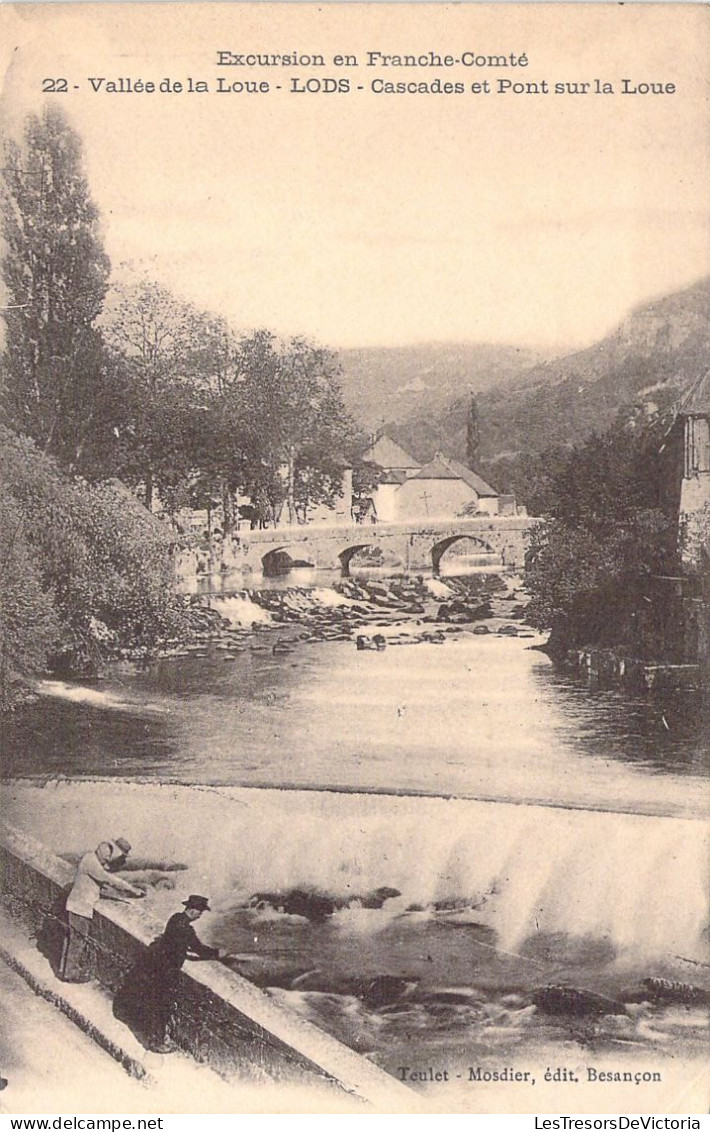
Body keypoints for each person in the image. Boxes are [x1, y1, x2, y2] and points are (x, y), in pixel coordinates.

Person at [113, 895, 220, 1053]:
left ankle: (154, 1036)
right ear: (192, 910)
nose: (200, 915)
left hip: (156, 966)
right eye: (200, 912)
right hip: (167, 971)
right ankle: (157, 1042)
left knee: (153, 1001)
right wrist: (217, 953)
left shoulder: (175, 918)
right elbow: (199, 948)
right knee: (162, 1005)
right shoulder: (186, 929)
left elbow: (174, 942)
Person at [58, 841, 145, 983]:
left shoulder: (90, 858)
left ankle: (64, 969)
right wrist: (133, 889)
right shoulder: (92, 863)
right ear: (99, 852)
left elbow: (107, 869)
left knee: (71, 939)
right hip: (80, 908)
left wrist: (120, 859)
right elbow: (109, 878)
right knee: (78, 941)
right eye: (105, 857)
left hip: (76, 906)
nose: (106, 860)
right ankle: (70, 973)